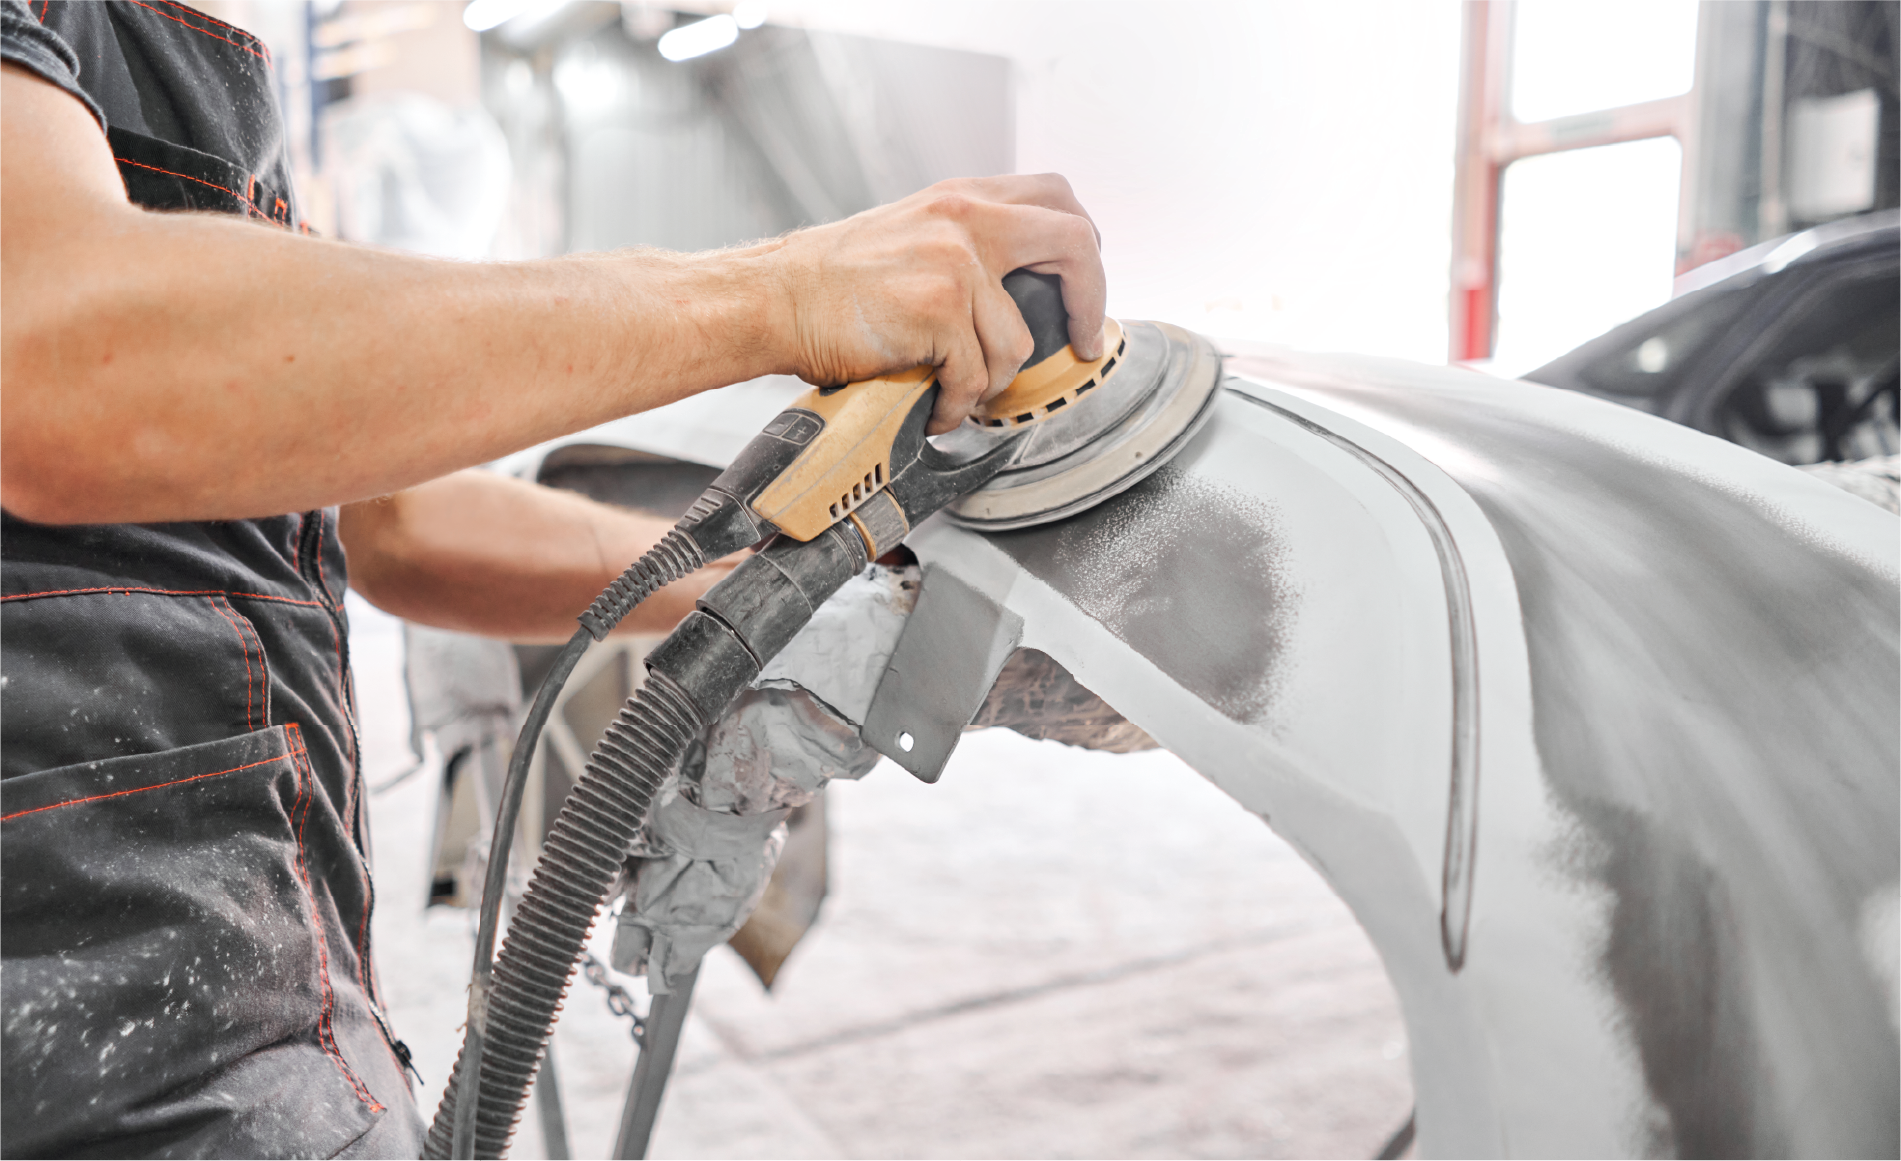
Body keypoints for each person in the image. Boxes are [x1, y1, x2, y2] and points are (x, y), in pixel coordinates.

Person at [0, 0, 1107, 1153]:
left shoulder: (180, 71)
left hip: (254, 1001)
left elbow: (398, 522)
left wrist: (785, 605)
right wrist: (780, 294)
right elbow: (72, 364)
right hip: (70, 1043)